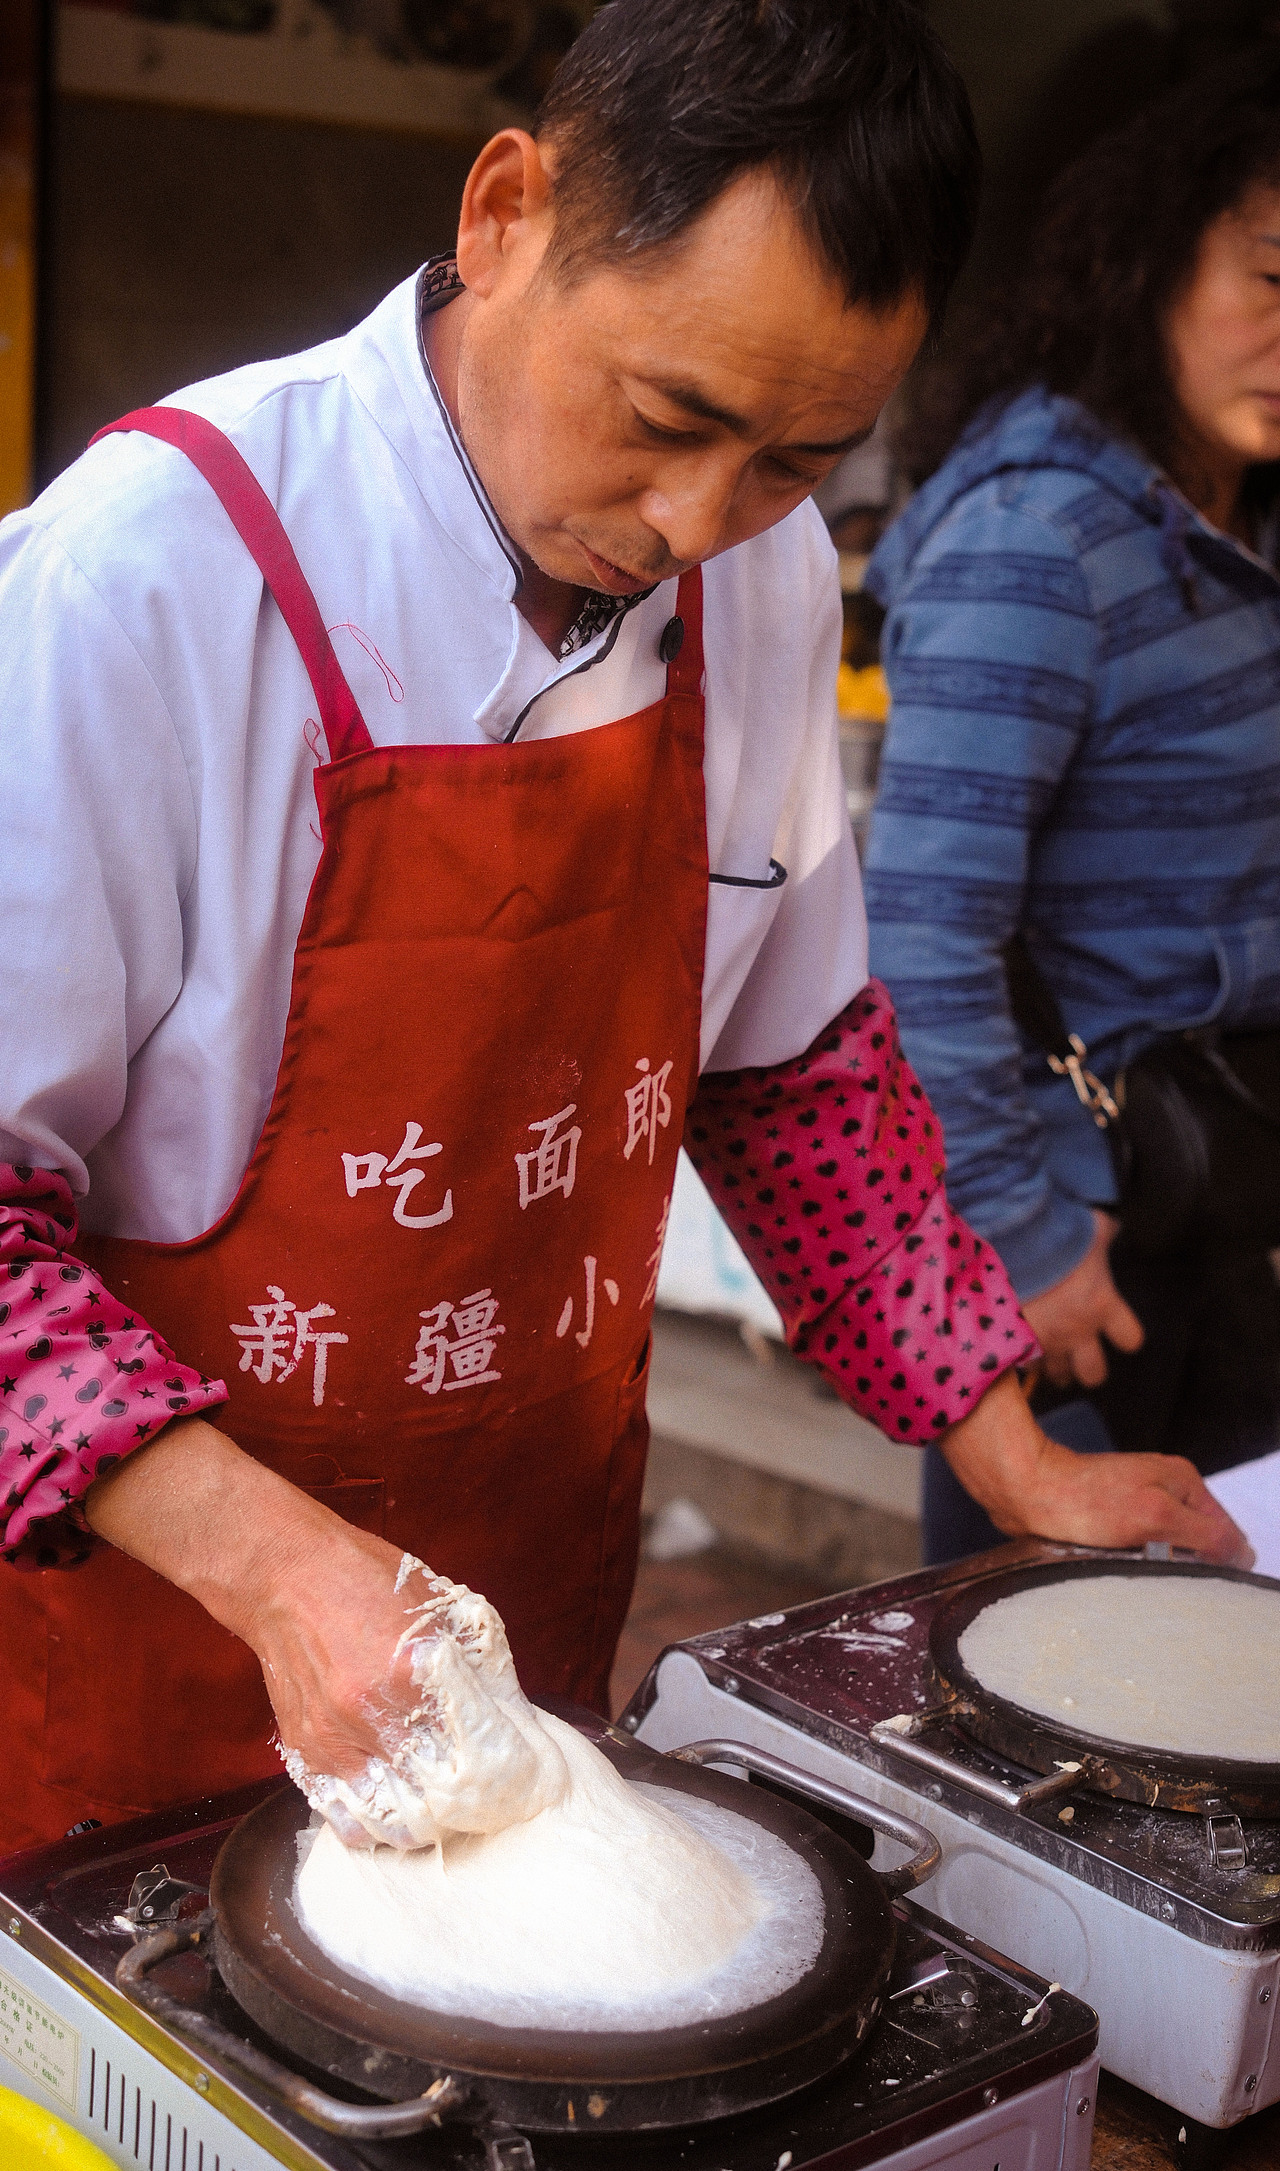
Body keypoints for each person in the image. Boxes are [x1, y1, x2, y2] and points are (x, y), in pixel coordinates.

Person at [0, 0, 1246, 1855]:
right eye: (668, 418)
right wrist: (277, 1572)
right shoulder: (148, 578)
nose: (691, 521)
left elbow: (796, 1072)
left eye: (793, 458)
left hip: (520, 1622)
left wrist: (1016, 1465)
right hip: (143, 1652)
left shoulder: (760, 575)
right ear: (508, 211)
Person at [865, 50, 1280, 1561]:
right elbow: (917, 935)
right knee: (1048, 1686)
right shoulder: (1037, 543)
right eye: (1272, 276)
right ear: (1144, 264)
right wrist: (1021, 1243)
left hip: (1218, 1201)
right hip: (1076, 1250)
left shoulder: (1240, 521)